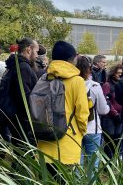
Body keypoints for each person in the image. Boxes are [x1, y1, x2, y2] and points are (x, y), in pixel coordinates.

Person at [37, 41, 89, 178]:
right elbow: (82, 114)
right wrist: (81, 132)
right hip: (68, 143)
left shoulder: (44, 77)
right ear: (72, 59)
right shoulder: (77, 81)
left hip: (44, 141)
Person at [76, 55, 110, 170]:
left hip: (75, 129)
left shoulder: (69, 84)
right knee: (93, 163)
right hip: (92, 128)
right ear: (89, 69)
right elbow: (103, 110)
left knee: (77, 164)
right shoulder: (95, 87)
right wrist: (109, 106)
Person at [4, 38, 39, 146]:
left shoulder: (16, 65)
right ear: (29, 49)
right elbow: (24, 97)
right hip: (22, 123)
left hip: (16, 120)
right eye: (36, 51)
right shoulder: (23, 67)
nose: (37, 56)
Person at [101, 64, 123, 158]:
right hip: (109, 117)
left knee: (118, 139)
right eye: (118, 73)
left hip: (120, 116)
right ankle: (107, 164)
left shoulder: (122, 84)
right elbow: (106, 101)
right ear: (113, 74)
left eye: (122, 74)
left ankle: (116, 160)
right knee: (109, 140)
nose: (120, 75)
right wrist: (115, 114)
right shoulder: (107, 85)